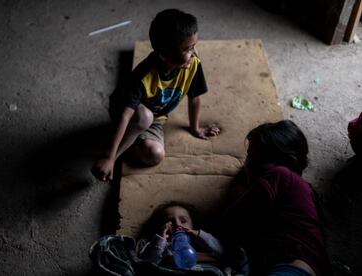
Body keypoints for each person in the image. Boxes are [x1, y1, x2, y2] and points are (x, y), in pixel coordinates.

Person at [91, 9, 220, 182]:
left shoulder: (193, 65)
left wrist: (195, 128)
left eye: (194, 46)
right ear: (163, 54)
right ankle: (112, 154)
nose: (195, 52)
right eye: (188, 49)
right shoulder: (143, 75)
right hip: (126, 110)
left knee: (155, 155)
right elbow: (125, 115)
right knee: (144, 117)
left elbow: (195, 97)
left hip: (156, 118)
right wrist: (110, 157)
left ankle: (128, 141)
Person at [220, 120, 332, 276]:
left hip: (292, 266)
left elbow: (230, 220)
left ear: (288, 163)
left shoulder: (280, 175)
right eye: (248, 158)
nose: (247, 165)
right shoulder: (303, 190)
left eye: (255, 161)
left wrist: (240, 188)